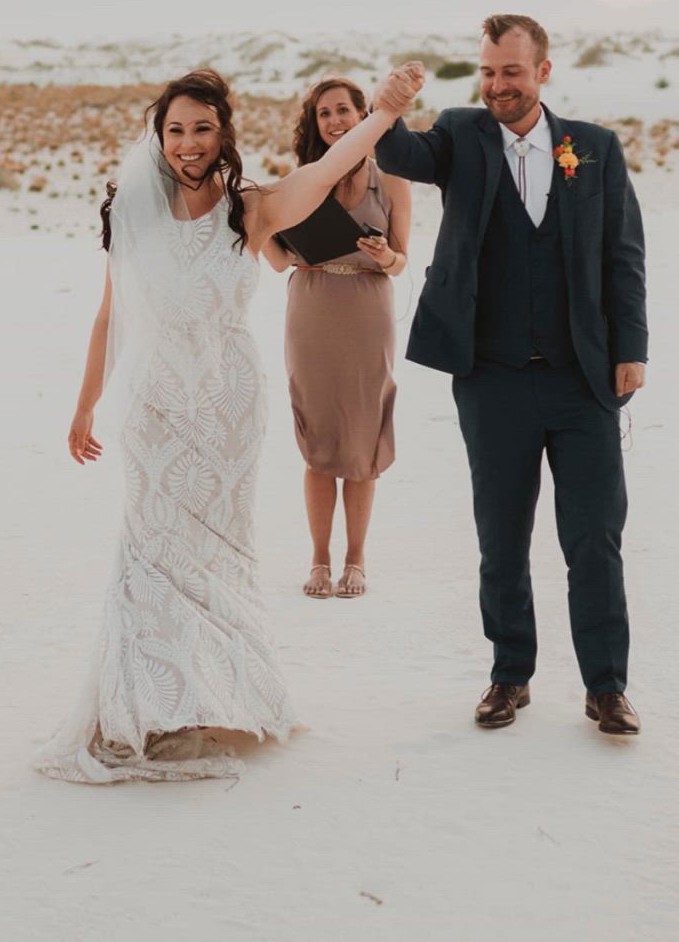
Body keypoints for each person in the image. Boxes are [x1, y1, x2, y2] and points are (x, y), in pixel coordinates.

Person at [34, 65, 422, 784]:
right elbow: (110, 314)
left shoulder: (252, 210)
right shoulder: (131, 209)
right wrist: (85, 404)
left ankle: (210, 696)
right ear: (159, 136)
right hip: (152, 405)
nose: (187, 143)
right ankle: (152, 701)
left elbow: (330, 165)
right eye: (175, 129)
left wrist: (387, 113)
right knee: (150, 553)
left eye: (202, 129)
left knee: (215, 558)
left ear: (223, 137)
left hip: (227, 409)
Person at [374, 16, 648, 737]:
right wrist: (387, 104)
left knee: (594, 538)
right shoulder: (460, 135)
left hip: (583, 379)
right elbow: (398, 154)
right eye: (489, 71)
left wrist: (632, 349)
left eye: (512, 72)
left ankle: (607, 686)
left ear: (543, 71)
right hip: (491, 380)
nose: (498, 85)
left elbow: (623, 255)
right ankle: (509, 674)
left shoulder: (592, 148)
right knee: (501, 537)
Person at [264, 78, 412, 600]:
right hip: (311, 308)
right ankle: (319, 560)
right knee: (320, 436)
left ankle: (357, 560)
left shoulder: (390, 177)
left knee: (363, 437)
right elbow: (280, 258)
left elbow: (401, 261)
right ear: (314, 123)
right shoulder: (303, 180)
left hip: (368, 308)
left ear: (362, 114)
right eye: (324, 113)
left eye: (344, 110)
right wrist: (258, 225)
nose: (335, 121)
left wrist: (383, 257)